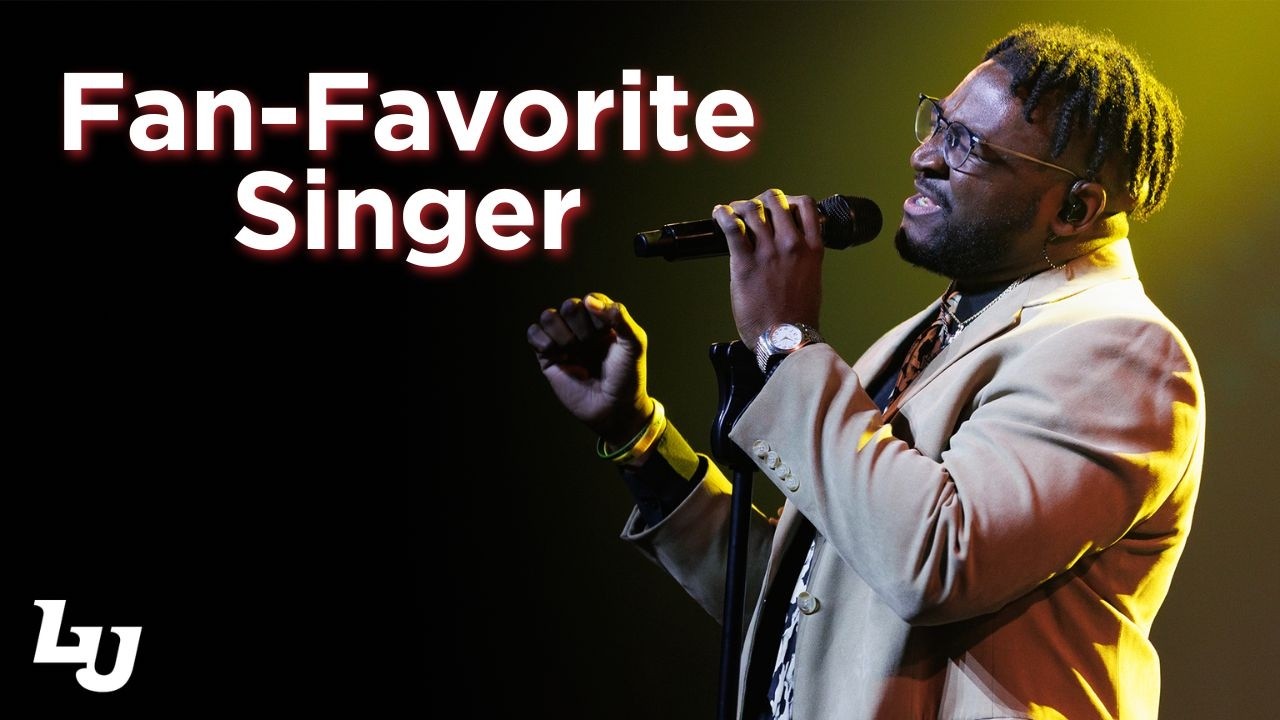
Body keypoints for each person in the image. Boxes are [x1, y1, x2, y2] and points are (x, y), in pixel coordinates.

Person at [526, 23, 1202, 720]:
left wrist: (786, 341)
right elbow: (809, 605)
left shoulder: (1119, 350)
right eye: (938, 122)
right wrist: (639, 438)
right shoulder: (926, 334)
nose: (924, 156)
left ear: (1075, 208)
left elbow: (936, 563)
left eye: (968, 145)